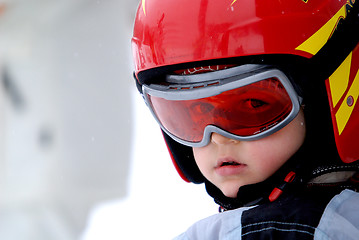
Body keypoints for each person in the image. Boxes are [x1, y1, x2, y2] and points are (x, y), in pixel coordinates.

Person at [131, 0, 359, 239]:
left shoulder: (292, 231)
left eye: (253, 105)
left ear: (319, 103)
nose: (217, 138)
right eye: (195, 113)